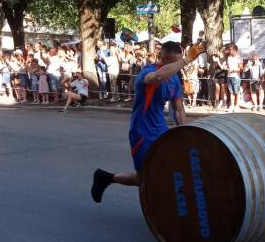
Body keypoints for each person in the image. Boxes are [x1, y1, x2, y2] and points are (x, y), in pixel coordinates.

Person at [91, 41, 204, 202]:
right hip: (141, 132)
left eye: (179, 62)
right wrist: (185, 60)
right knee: (142, 178)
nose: (178, 67)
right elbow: (157, 77)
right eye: (174, 62)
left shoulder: (174, 81)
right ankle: (106, 178)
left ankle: (169, 205)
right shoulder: (147, 72)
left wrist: (184, 133)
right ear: (162, 59)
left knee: (171, 169)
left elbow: (178, 109)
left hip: (161, 130)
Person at [226, 43, 243, 112]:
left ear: (235, 50)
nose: (230, 51)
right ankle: (231, 105)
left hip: (236, 76)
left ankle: (237, 106)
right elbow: (228, 66)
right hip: (229, 76)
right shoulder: (229, 57)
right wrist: (226, 68)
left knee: (237, 92)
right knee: (231, 92)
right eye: (229, 50)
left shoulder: (239, 58)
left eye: (231, 50)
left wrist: (233, 70)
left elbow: (241, 68)